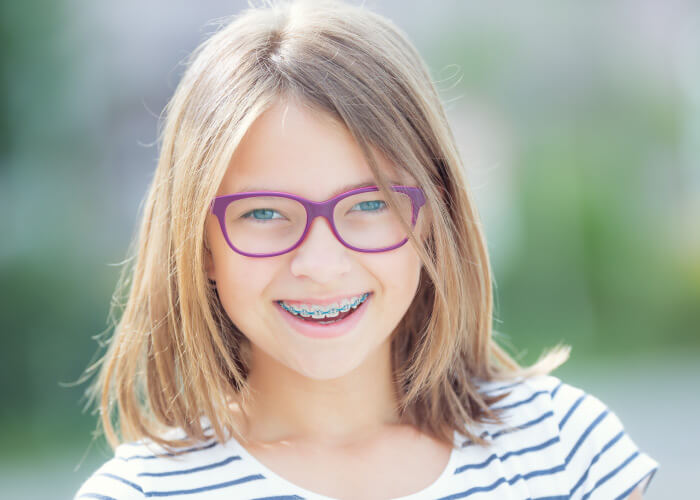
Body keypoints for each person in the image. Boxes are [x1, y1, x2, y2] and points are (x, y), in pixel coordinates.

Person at [74, 1, 658, 498]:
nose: (321, 265)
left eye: (372, 204)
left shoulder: (563, 450)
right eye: (264, 214)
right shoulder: (139, 494)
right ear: (199, 243)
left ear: (432, 215)